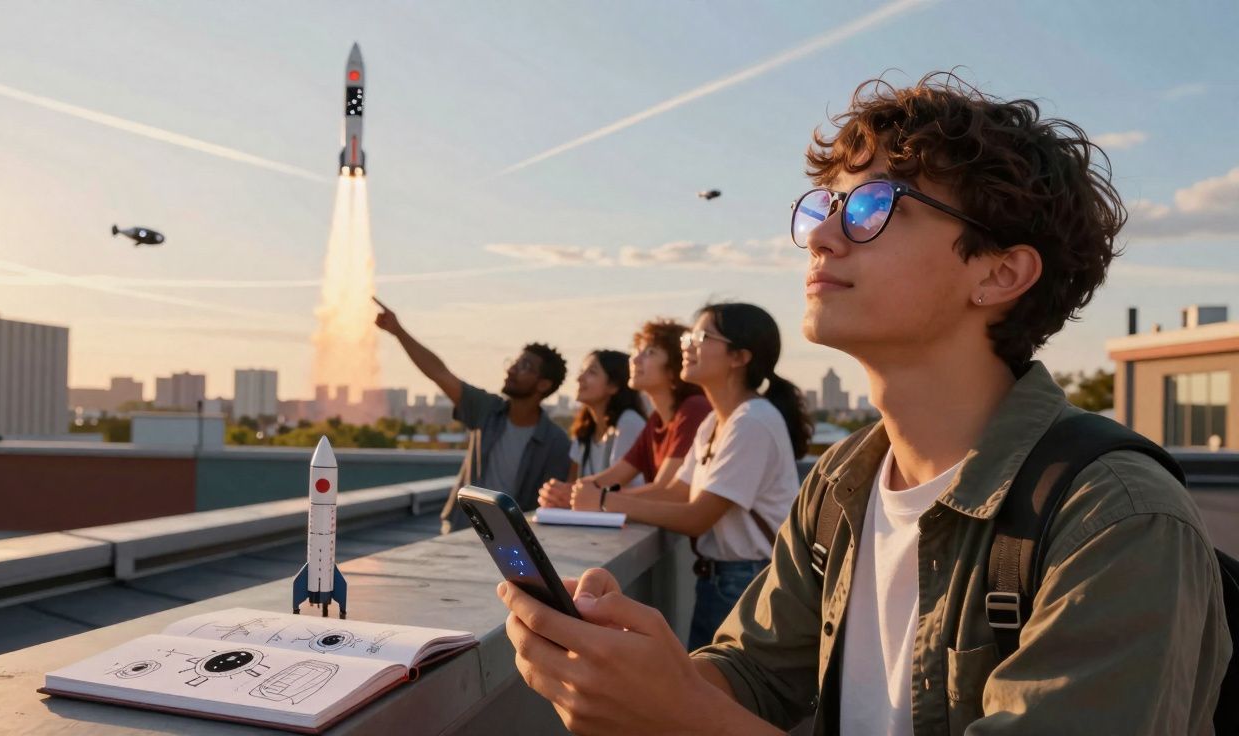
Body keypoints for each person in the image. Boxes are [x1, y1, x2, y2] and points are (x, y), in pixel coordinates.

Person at [496, 73, 1231, 735]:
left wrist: (683, 716)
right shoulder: (842, 483)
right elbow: (754, 674)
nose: (820, 237)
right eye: (825, 206)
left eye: (873, 205)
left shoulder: (1116, 519)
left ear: (1000, 273)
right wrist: (633, 675)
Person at [569, 303, 811, 649]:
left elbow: (697, 516)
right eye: (688, 337)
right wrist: (595, 501)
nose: (688, 345)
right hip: (721, 578)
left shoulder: (752, 421)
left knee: (717, 682)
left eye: (702, 337)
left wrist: (605, 502)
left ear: (739, 357)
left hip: (749, 580)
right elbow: (676, 492)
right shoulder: (714, 422)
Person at [373, 297, 570, 534]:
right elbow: (439, 373)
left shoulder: (556, 442)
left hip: (513, 541)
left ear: (543, 384)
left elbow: (551, 506)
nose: (512, 369)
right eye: (514, 363)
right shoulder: (488, 410)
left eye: (525, 366)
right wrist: (398, 331)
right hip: (463, 530)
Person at [538, 319, 711, 508]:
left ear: (675, 367)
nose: (635, 360)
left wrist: (597, 499)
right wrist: (564, 492)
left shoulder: (694, 409)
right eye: (637, 352)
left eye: (650, 352)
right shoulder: (656, 422)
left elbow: (667, 492)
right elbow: (610, 478)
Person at [564, 350, 647, 481]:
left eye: (592, 372)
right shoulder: (585, 431)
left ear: (613, 386)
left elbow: (618, 484)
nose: (579, 378)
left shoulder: (628, 422)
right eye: (582, 371)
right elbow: (572, 484)